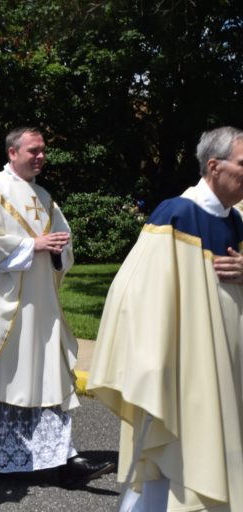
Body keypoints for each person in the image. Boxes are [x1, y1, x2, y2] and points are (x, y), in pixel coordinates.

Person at [0, 127, 114, 486]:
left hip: (41, 309)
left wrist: (57, 250)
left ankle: (63, 458)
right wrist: (32, 246)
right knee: (4, 376)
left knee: (47, 375)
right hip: (3, 308)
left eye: (43, 151)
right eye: (33, 150)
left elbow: (63, 248)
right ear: (12, 153)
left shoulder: (44, 197)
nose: (40, 156)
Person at [88, 126, 243, 512]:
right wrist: (152, 365)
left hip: (225, 363)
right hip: (183, 369)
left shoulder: (234, 222)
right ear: (214, 166)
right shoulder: (176, 213)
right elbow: (134, 293)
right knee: (176, 462)